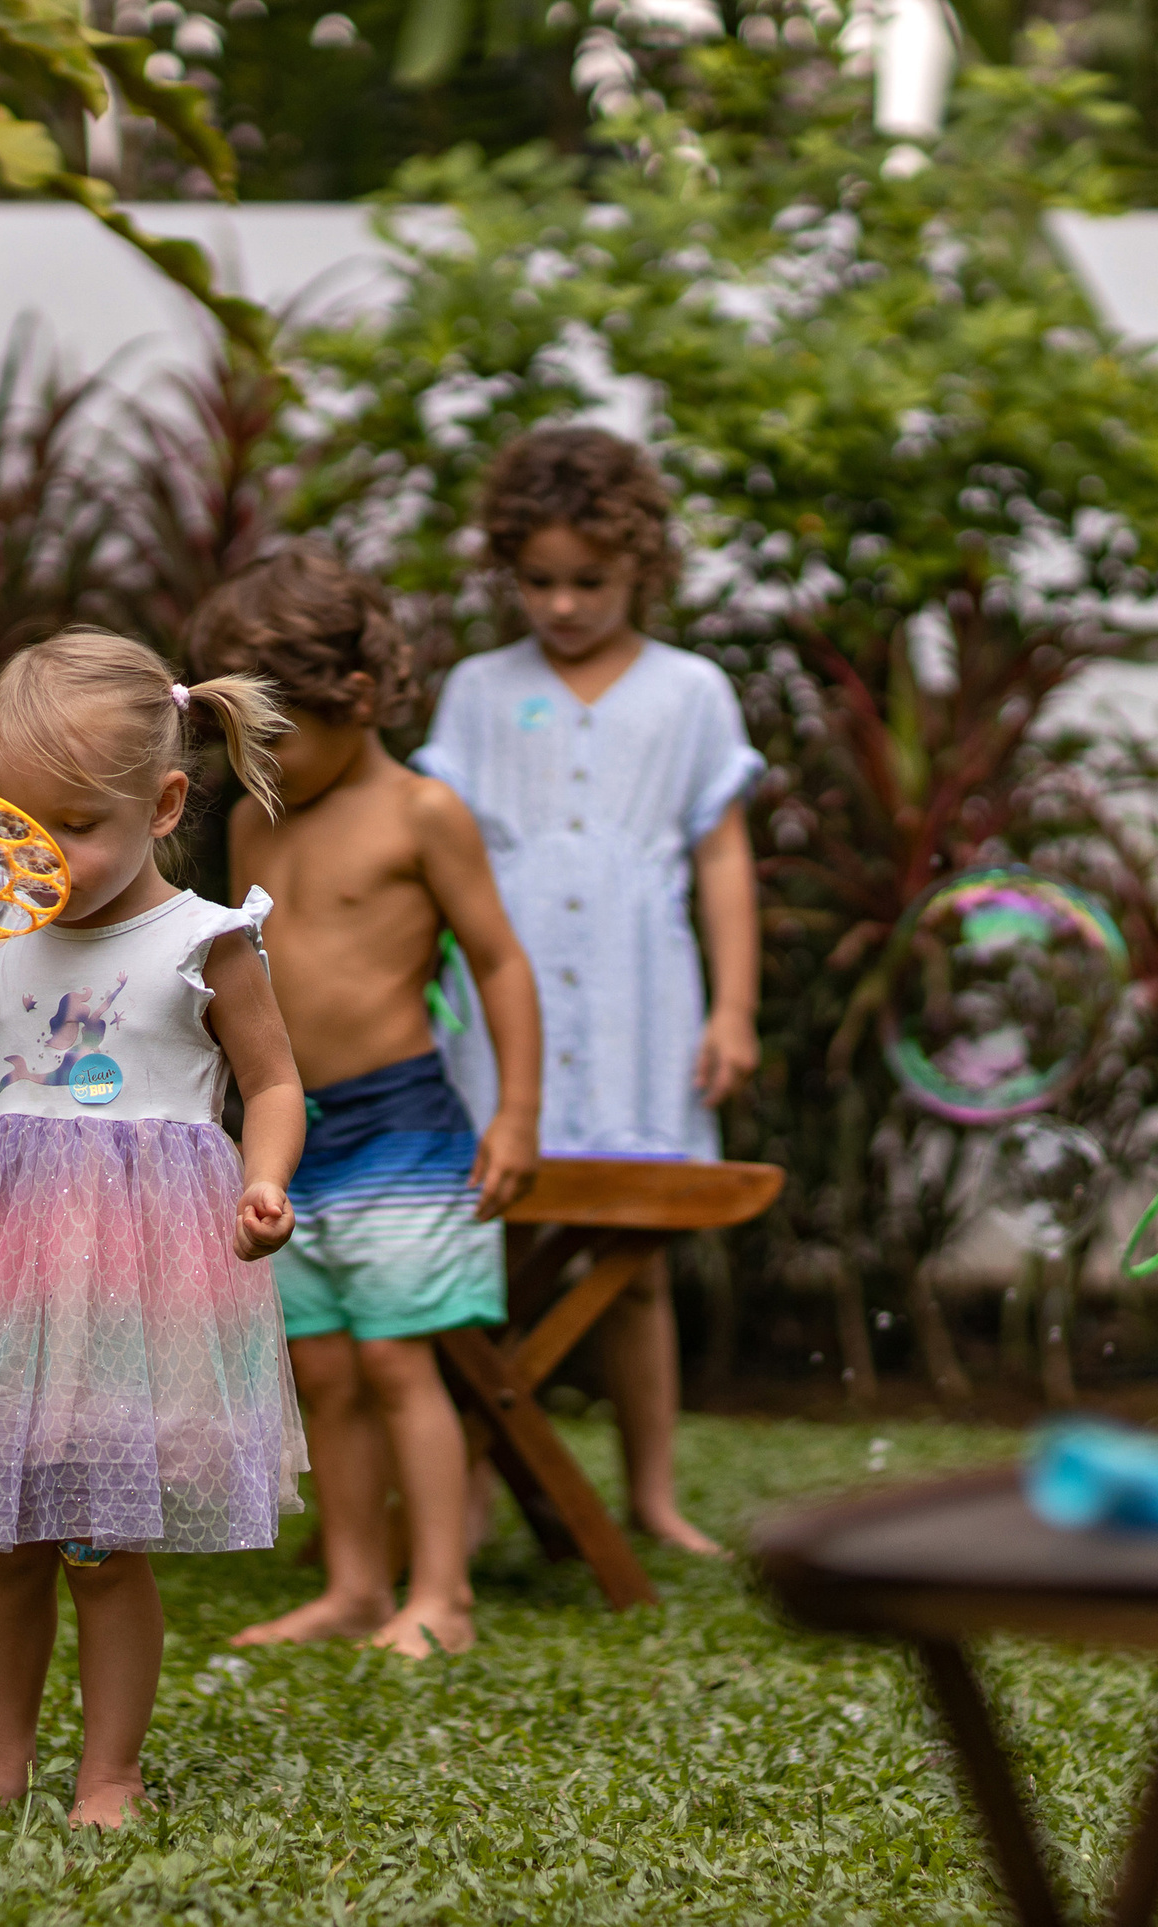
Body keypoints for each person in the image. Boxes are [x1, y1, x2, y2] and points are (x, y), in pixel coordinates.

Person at [0, 629, 310, 1823]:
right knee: (7, 1540)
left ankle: (109, 1772)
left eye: (74, 829)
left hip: (140, 1272)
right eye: (15, 825)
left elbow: (278, 1081)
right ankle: (0, 1765)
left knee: (104, 1537)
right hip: (1, 1264)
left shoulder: (204, 940)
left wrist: (265, 1181)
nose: (38, 858)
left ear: (164, 802)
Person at [189, 544, 544, 1658]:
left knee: (400, 1358)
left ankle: (441, 1592)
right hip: (289, 1131)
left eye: (278, 740)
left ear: (358, 696)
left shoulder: (422, 812)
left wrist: (517, 1112)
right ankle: (351, 1586)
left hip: (402, 1123)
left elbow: (497, 962)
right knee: (324, 1370)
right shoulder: (253, 822)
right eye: (243, 747)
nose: (263, 768)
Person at [417, 426, 763, 1557]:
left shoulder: (692, 691)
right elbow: (437, 847)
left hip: (639, 1000)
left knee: (635, 1263)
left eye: (590, 582)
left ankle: (652, 1494)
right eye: (538, 582)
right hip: (501, 1001)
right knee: (481, 1252)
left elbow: (720, 856)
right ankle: (460, 1486)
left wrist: (734, 1007)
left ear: (643, 566)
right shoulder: (477, 689)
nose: (562, 606)